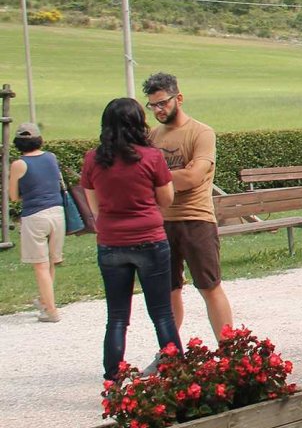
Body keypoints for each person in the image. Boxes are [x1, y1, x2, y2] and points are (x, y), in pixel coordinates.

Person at [79, 99, 183, 381]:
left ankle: (113, 379)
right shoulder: (151, 157)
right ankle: (178, 374)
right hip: (149, 238)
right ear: (139, 123)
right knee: (162, 313)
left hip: (111, 241)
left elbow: (94, 206)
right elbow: (166, 198)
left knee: (117, 317)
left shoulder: (93, 159)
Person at [143, 72, 234, 339]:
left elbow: (194, 178)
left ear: (178, 98)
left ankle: (230, 351)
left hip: (197, 219)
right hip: (162, 223)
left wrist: (156, 179)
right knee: (168, 290)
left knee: (209, 286)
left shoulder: (201, 132)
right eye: (153, 105)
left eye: (163, 103)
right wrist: (174, 177)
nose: (158, 110)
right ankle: (169, 353)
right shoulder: (151, 137)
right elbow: (173, 177)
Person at [8, 122, 66, 322]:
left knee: (40, 265)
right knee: (50, 262)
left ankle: (51, 311)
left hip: (35, 215)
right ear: (39, 139)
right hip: (57, 212)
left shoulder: (19, 164)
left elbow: (14, 196)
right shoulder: (51, 157)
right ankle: (45, 301)